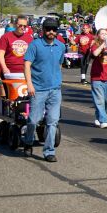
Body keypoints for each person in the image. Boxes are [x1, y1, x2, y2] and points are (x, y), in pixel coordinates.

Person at [23, 19, 67, 162]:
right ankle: (28, 141)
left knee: (52, 121)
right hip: (38, 90)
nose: (51, 32)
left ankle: (49, 151)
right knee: (33, 120)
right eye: (48, 29)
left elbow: (59, 64)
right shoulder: (35, 45)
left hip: (55, 90)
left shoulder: (61, 46)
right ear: (43, 30)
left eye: (54, 30)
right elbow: (27, 65)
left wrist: (56, 80)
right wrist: (29, 84)